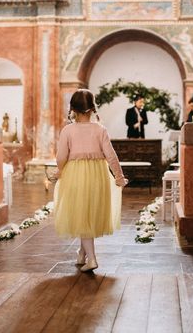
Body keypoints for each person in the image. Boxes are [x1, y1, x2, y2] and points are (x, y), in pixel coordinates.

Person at [54, 89, 129, 272]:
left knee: (81, 212)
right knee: (85, 212)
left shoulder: (68, 130)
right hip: (98, 175)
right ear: (92, 108)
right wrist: (119, 177)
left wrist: (59, 170)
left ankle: (92, 259)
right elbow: (111, 156)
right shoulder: (100, 129)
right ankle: (82, 252)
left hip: (76, 175)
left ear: (73, 108)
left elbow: (61, 156)